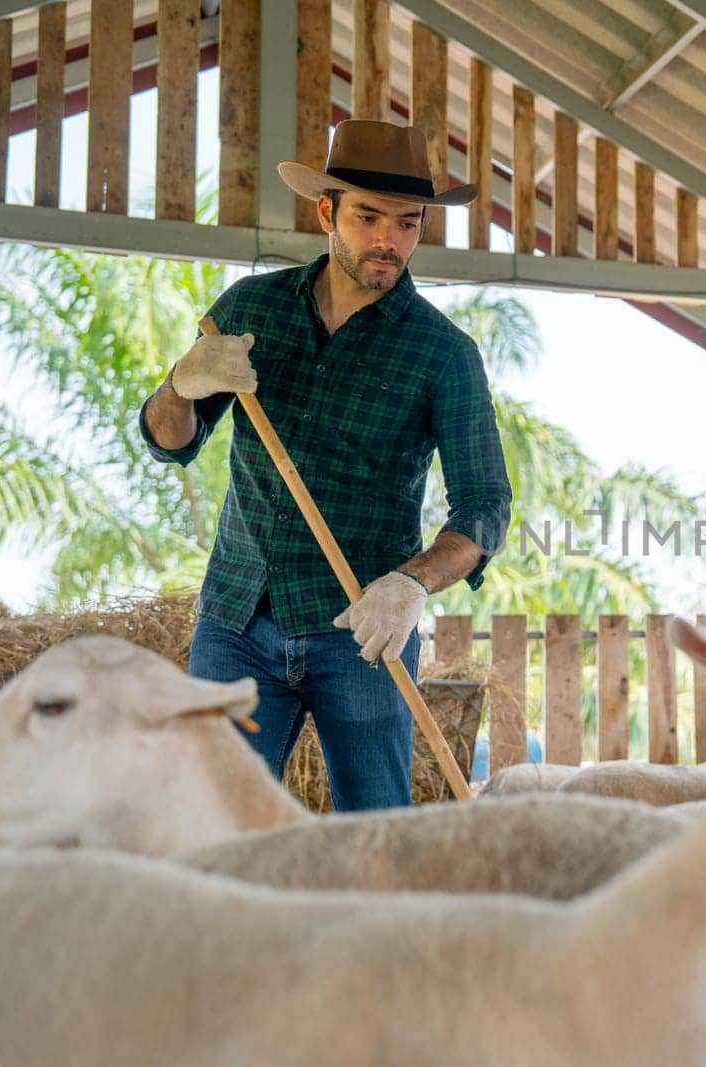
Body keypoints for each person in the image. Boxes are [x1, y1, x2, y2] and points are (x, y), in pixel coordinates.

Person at [139, 120, 513, 810]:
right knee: (211, 829)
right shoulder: (248, 311)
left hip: (364, 634)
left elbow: (486, 508)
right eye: (369, 217)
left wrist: (411, 584)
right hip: (236, 623)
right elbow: (169, 441)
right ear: (325, 213)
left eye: (408, 222)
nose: (389, 240)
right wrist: (180, 384)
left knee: (376, 841)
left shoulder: (443, 354)